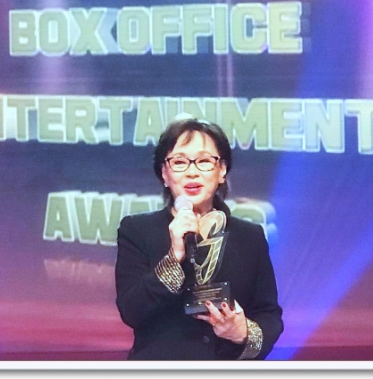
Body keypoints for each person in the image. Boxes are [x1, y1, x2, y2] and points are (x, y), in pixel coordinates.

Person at [115, 116, 283, 360]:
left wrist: (242, 332)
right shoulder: (137, 230)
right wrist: (174, 257)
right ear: (164, 173)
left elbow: (269, 315)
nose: (192, 172)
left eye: (204, 161)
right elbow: (131, 311)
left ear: (222, 170)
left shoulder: (250, 237)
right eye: (179, 162)